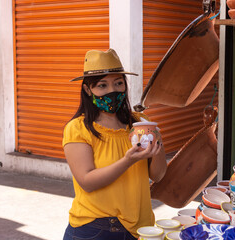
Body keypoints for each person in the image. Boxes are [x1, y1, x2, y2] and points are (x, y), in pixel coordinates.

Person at [62, 49, 167, 240]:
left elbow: (157, 176)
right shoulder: (77, 128)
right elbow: (87, 182)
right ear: (88, 90)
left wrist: (157, 144)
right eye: (102, 85)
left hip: (140, 228)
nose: (112, 91)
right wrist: (127, 160)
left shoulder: (140, 123)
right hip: (95, 229)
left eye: (118, 83)